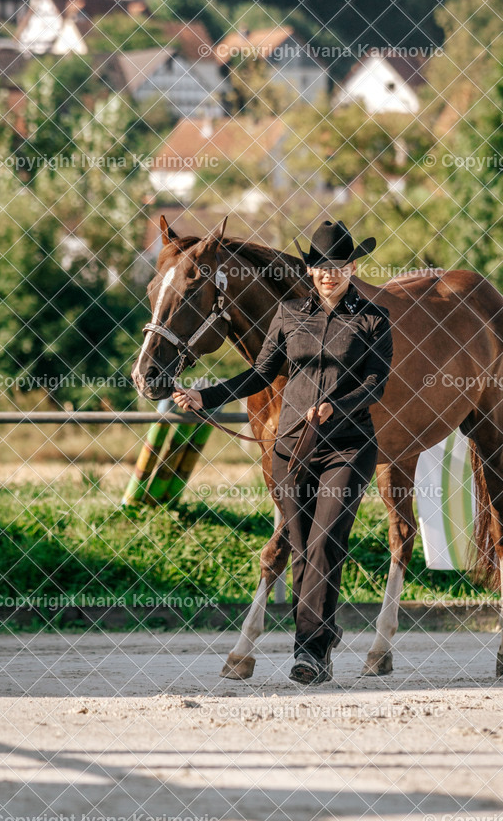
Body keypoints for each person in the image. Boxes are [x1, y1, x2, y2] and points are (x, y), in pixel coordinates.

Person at [172, 219, 394, 684]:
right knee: (298, 546)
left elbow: (377, 383)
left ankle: (309, 653)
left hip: (349, 447)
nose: (329, 274)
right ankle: (321, 635)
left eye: (338, 266)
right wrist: (204, 396)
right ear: (311, 270)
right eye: (320, 266)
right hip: (292, 447)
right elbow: (259, 374)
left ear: (352, 268)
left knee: (325, 543)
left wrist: (338, 405)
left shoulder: (373, 319)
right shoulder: (290, 314)